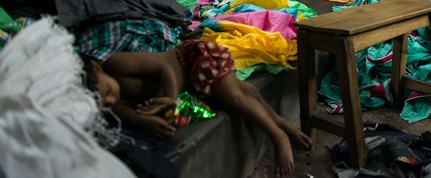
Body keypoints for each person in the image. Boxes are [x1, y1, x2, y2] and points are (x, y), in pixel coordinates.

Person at [84, 40, 311, 177]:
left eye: (107, 91)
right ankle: (282, 123)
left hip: (193, 60)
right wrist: (147, 121)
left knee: (233, 97)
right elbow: (130, 116)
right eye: (105, 104)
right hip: (194, 83)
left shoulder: (114, 65)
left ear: (97, 68)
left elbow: (164, 69)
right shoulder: (113, 104)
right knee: (244, 93)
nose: (111, 100)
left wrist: (171, 100)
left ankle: (278, 136)